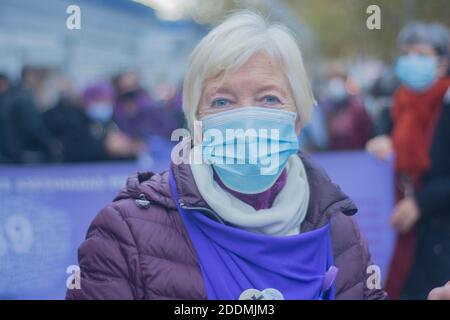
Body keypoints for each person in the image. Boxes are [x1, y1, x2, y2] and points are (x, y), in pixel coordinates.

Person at [67, 11, 388, 300]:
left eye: (269, 99)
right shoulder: (125, 234)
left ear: (299, 119)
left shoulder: (339, 230)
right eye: (222, 102)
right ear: (196, 123)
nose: (247, 118)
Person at [366, 22, 450, 299]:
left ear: (441, 63)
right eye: (406, 53)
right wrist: (381, 146)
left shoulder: (446, 107)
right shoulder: (396, 106)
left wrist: (421, 202)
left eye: (421, 54)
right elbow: (383, 147)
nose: (412, 60)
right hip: (399, 229)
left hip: (440, 233)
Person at [44, 82, 145, 162]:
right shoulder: (73, 121)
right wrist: (104, 148)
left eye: (107, 100)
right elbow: (70, 152)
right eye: (98, 100)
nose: (103, 104)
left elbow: (131, 146)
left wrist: (130, 148)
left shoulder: (115, 120)